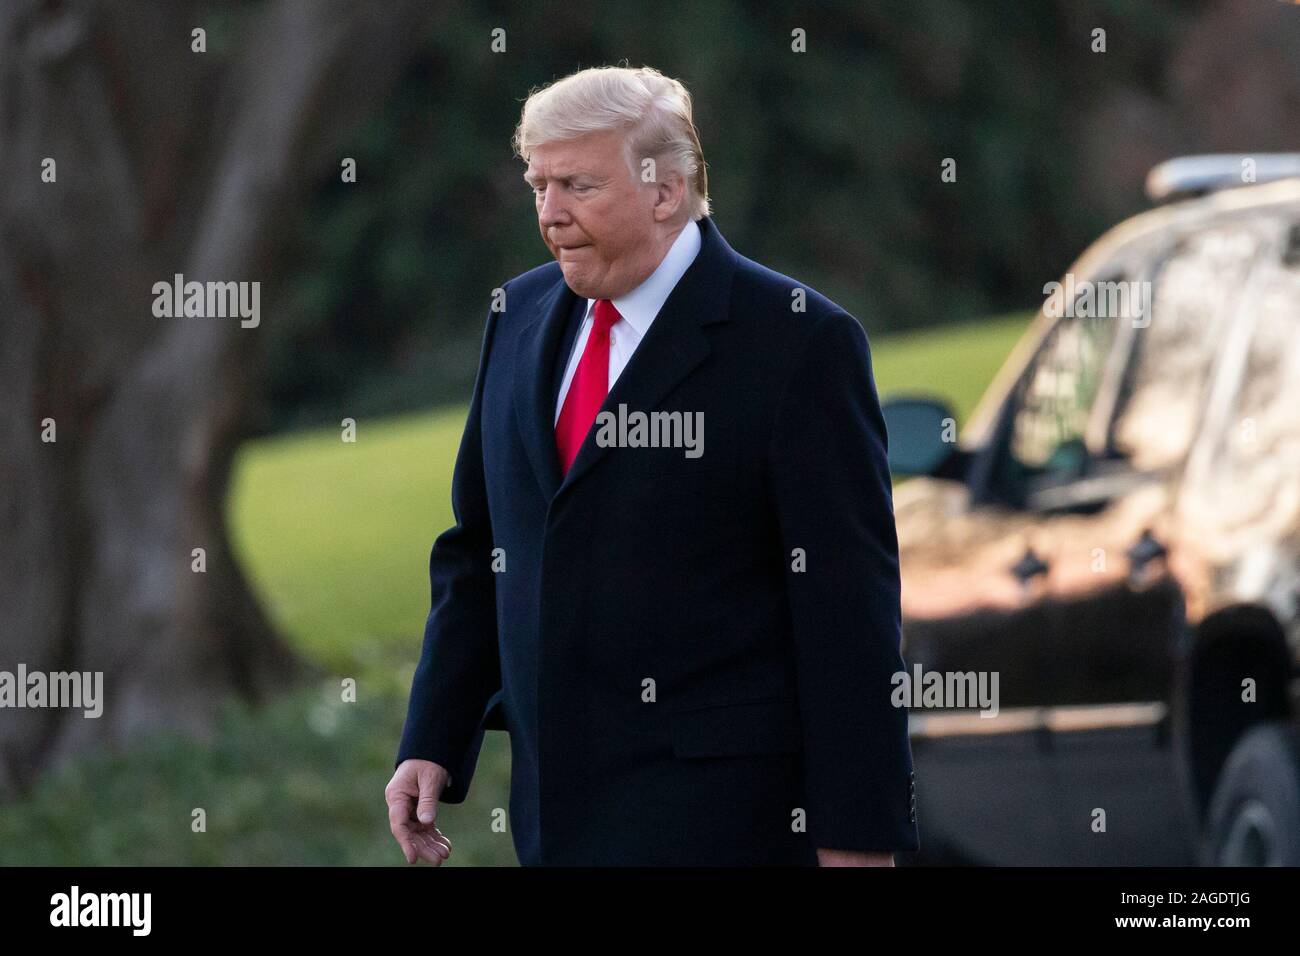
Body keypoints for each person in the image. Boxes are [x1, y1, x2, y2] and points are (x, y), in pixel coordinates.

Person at [385, 64, 918, 866]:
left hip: (729, 828)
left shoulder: (799, 344)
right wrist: (434, 736)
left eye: (576, 186)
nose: (550, 215)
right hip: (555, 828)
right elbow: (480, 549)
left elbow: (849, 614)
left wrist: (857, 839)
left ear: (666, 192)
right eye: (538, 185)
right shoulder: (517, 315)